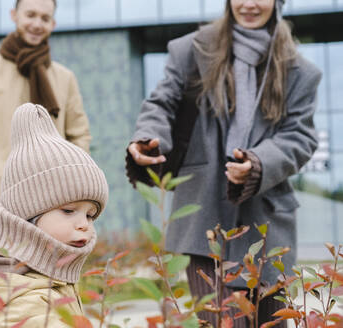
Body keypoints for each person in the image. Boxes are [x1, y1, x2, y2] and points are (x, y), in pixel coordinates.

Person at [126, 0, 321, 326]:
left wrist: (258, 164)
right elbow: (161, 103)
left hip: (267, 224)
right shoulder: (190, 50)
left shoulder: (300, 71)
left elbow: (300, 137)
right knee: (221, 322)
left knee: (271, 322)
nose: (248, 4)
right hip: (204, 216)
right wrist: (148, 135)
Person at [0, 103, 108, 327]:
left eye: (90, 215)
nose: (84, 225)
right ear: (25, 217)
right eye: (68, 210)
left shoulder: (47, 275)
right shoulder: (24, 303)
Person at [0, 0, 91, 229]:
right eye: (30, 15)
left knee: (49, 265)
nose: (37, 24)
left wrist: (67, 179)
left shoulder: (65, 78)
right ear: (14, 15)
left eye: (45, 18)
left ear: (53, 24)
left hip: (55, 202)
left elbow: (79, 136)